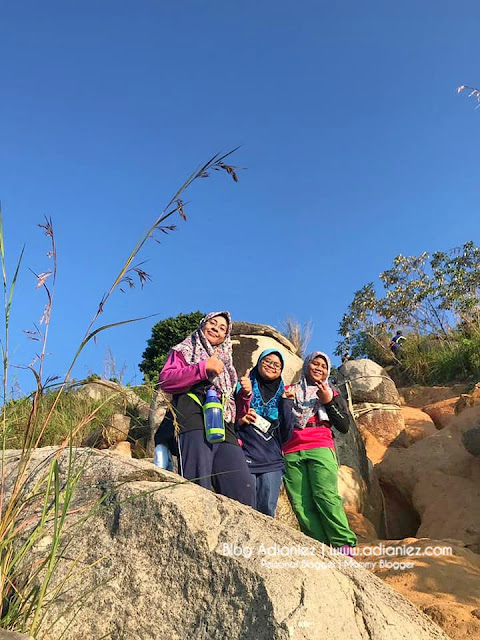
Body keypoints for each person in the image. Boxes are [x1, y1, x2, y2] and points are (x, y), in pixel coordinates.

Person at [154, 311, 255, 507]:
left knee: (243, 489)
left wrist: (244, 395)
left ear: (226, 335)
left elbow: (237, 412)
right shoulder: (184, 349)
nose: (217, 328)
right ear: (203, 324)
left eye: (223, 328)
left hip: (224, 425)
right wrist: (202, 368)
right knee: (197, 485)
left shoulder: (228, 365)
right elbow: (166, 380)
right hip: (192, 418)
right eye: (213, 322)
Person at [282, 351, 357, 549]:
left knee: (325, 496)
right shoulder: (289, 390)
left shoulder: (331, 392)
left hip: (319, 445)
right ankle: (319, 546)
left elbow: (343, 425)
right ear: (306, 365)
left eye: (323, 366)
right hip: (290, 449)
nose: (319, 368)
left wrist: (328, 401)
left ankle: (343, 544)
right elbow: (278, 421)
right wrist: (285, 402)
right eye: (315, 363)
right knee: (300, 503)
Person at [236, 350, 293, 517]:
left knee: (267, 511)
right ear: (259, 362)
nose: (271, 366)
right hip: (243, 454)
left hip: (271, 460)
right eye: (267, 361)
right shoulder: (241, 386)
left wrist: (287, 404)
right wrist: (240, 420)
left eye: (277, 365)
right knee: (243, 509)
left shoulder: (284, 395)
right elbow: (228, 418)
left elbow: (286, 435)